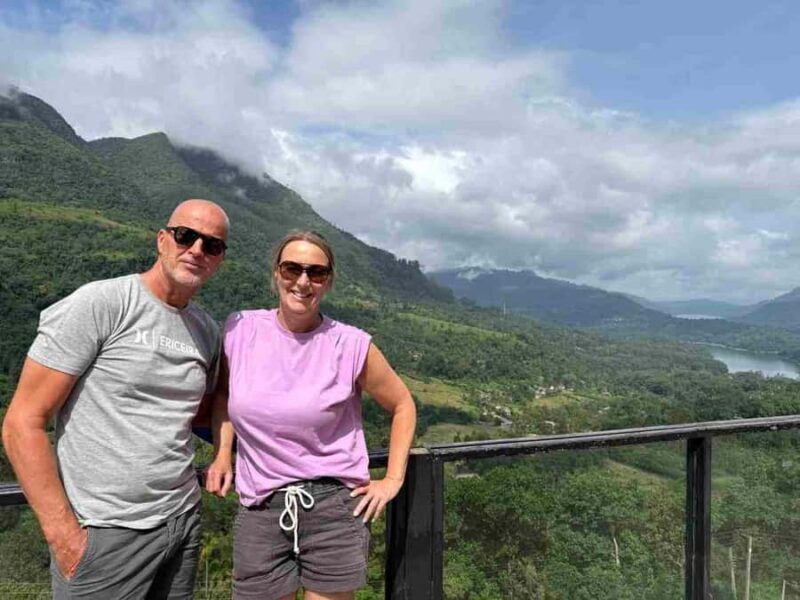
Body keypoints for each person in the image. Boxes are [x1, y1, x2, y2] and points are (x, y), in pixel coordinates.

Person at [2, 199, 229, 599]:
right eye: (185, 236)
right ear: (162, 240)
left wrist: (234, 452)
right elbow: (23, 422)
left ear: (219, 260)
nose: (196, 249)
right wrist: (64, 537)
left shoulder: (206, 331)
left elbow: (203, 410)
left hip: (181, 521)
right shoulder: (102, 304)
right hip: (104, 532)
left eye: (211, 245)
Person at [205, 230, 416, 600]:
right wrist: (223, 453)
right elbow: (224, 392)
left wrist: (393, 479)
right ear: (276, 273)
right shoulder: (240, 329)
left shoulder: (351, 345)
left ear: (328, 282)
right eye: (292, 269)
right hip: (260, 504)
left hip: (334, 507)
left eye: (316, 273)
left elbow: (402, 405)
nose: (303, 281)